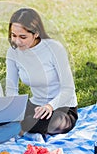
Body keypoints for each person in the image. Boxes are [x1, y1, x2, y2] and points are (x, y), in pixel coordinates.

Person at [5, 8, 78, 137]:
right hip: (35, 106)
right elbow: (11, 88)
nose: (17, 41)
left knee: (50, 123)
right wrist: (13, 112)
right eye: (13, 35)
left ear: (36, 34)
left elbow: (68, 89)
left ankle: (23, 126)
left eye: (23, 37)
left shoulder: (54, 49)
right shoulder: (13, 52)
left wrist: (50, 106)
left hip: (61, 108)